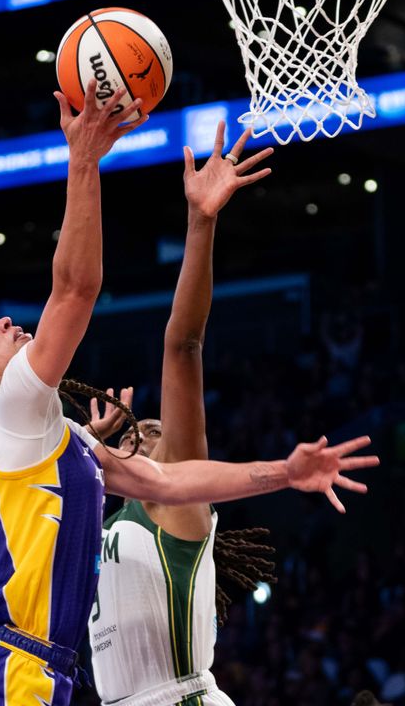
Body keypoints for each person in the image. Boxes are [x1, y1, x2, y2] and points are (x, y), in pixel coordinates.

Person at [0, 82, 379, 706]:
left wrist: (285, 472)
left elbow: (169, 478)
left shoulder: (60, 443)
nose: (1, 321)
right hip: (10, 662)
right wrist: (83, 161)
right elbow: (76, 292)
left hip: (46, 667)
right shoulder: (9, 406)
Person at [87, 121, 279, 706]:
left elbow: (183, 345)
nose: (143, 430)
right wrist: (92, 459)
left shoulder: (180, 508)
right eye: (139, 427)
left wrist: (201, 222)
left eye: (157, 432)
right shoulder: (105, 527)